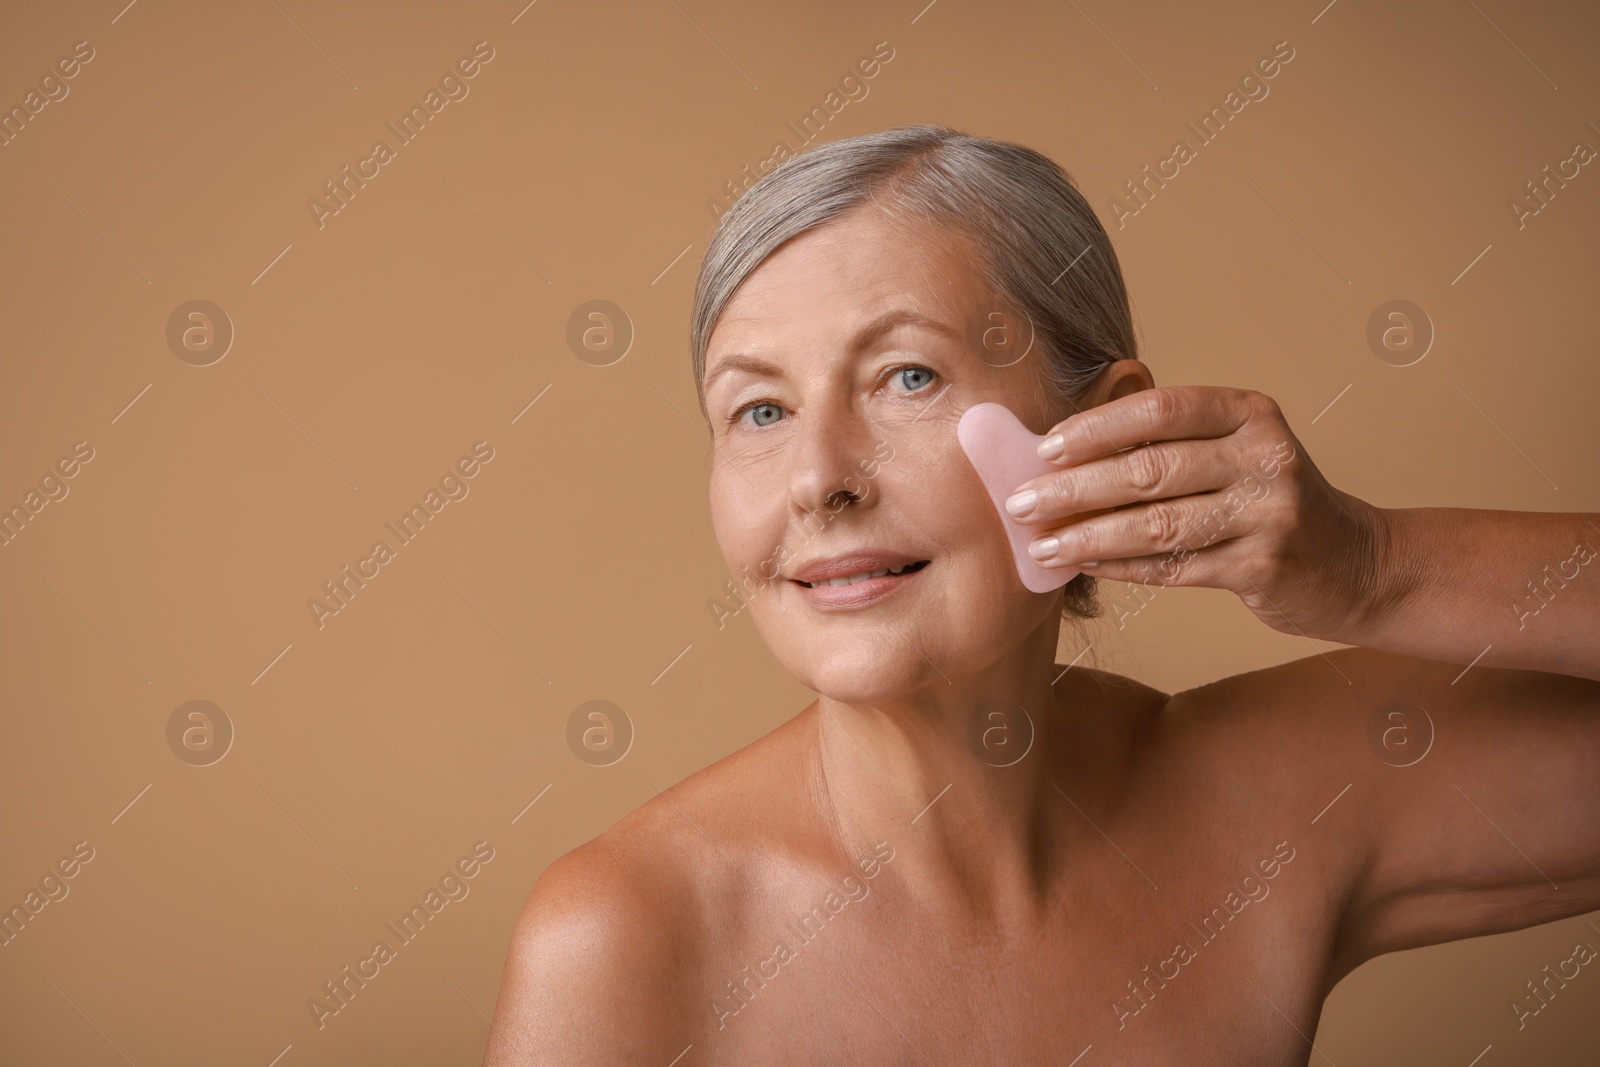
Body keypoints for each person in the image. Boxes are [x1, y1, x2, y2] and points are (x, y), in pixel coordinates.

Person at [482, 123, 1600, 1065]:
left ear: (1107, 431)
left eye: (905, 377)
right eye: (759, 410)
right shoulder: (624, 936)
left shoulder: (1268, 807)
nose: (818, 479)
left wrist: (1372, 568)